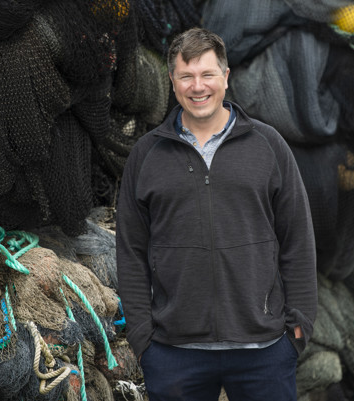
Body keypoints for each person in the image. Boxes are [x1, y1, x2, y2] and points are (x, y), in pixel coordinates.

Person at [116, 27, 317, 401]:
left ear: (226, 77)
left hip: (264, 349)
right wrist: (143, 338)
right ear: (172, 82)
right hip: (174, 354)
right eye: (186, 76)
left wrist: (298, 326)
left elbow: (298, 239)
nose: (198, 87)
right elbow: (130, 251)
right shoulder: (147, 155)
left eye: (207, 74)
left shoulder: (268, 145)